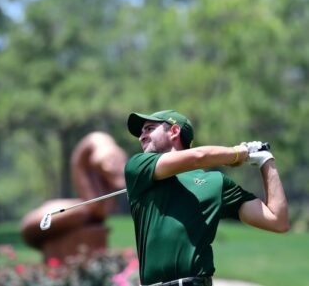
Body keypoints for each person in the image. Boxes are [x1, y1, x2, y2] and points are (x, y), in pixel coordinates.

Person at [124, 109, 289, 286]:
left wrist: (266, 161)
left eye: (149, 129)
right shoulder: (138, 167)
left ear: (174, 131)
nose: (141, 136)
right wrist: (237, 153)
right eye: (141, 132)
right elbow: (198, 157)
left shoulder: (215, 182)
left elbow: (277, 221)